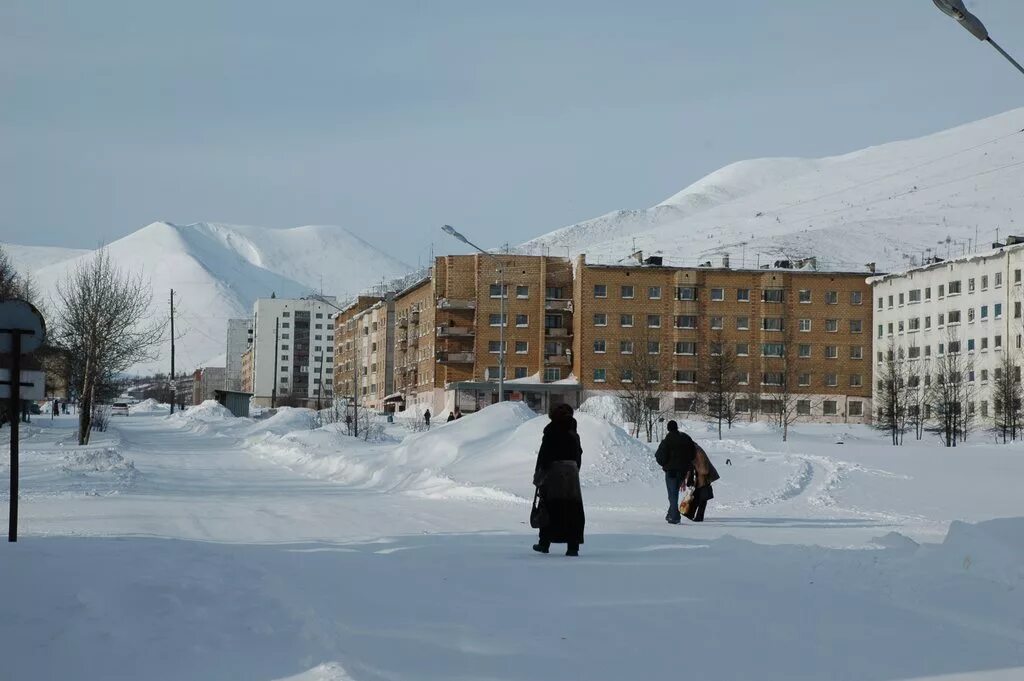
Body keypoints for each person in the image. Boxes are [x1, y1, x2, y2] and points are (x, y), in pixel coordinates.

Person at [532, 403, 585, 556]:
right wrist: (574, 469)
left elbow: (544, 454)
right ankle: (573, 547)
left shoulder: (551, 431)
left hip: (553, 473)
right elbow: (578, 454)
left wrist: (539, 473)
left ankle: (544, 543)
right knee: (573, 510)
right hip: (571, 475)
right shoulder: (573, 432)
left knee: (549, 507)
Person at [654, 420, 696, 524]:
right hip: (683, 471)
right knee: (674, 493)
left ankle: (674, 517)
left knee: (672, 494)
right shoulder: (685, 438)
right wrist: (687, 464)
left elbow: (659, 456)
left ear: (668, 428)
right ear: (676, 427)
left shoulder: (667, 440)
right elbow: (693, 453)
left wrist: (665, 464)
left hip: (671, 471)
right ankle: (670, 513)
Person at [685, 444, 720, 522]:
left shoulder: (697, 451)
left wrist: (695, 468)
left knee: (703, 496)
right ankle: (691, 513)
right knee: (697, 495)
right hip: (699, 476)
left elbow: (704, 470)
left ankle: (698, 516)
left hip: (703, 477)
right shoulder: (692, 450)